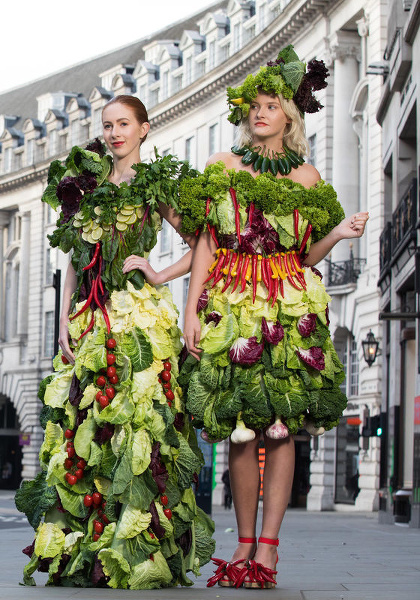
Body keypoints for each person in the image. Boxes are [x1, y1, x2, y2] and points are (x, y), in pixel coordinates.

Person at [176, 45, 369, 590]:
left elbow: (308, 256)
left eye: (270, 105)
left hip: (288, 301)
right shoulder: (220, 168)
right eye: (253, 106)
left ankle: (270, 546)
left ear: (289, 114)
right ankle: (241, 540)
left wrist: (339, 233)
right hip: (231, 301)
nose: (259, 113)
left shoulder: (307, 177)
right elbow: (206, 245)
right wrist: (191, 310)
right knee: (239, 432)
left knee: (281, 428)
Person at [17, 95, 215, 589]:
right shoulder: (83, 184)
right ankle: (88, 549)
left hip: (137, 318)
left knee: (139, 431)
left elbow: (204, 241)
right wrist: (62, 320)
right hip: (88, 318)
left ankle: (137, 546)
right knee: (83, 431)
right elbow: (69, 258)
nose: (114, 133)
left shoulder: (155, 183)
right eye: (107, 125)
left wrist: (159, 272)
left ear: (145, 128)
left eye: (123, 123)